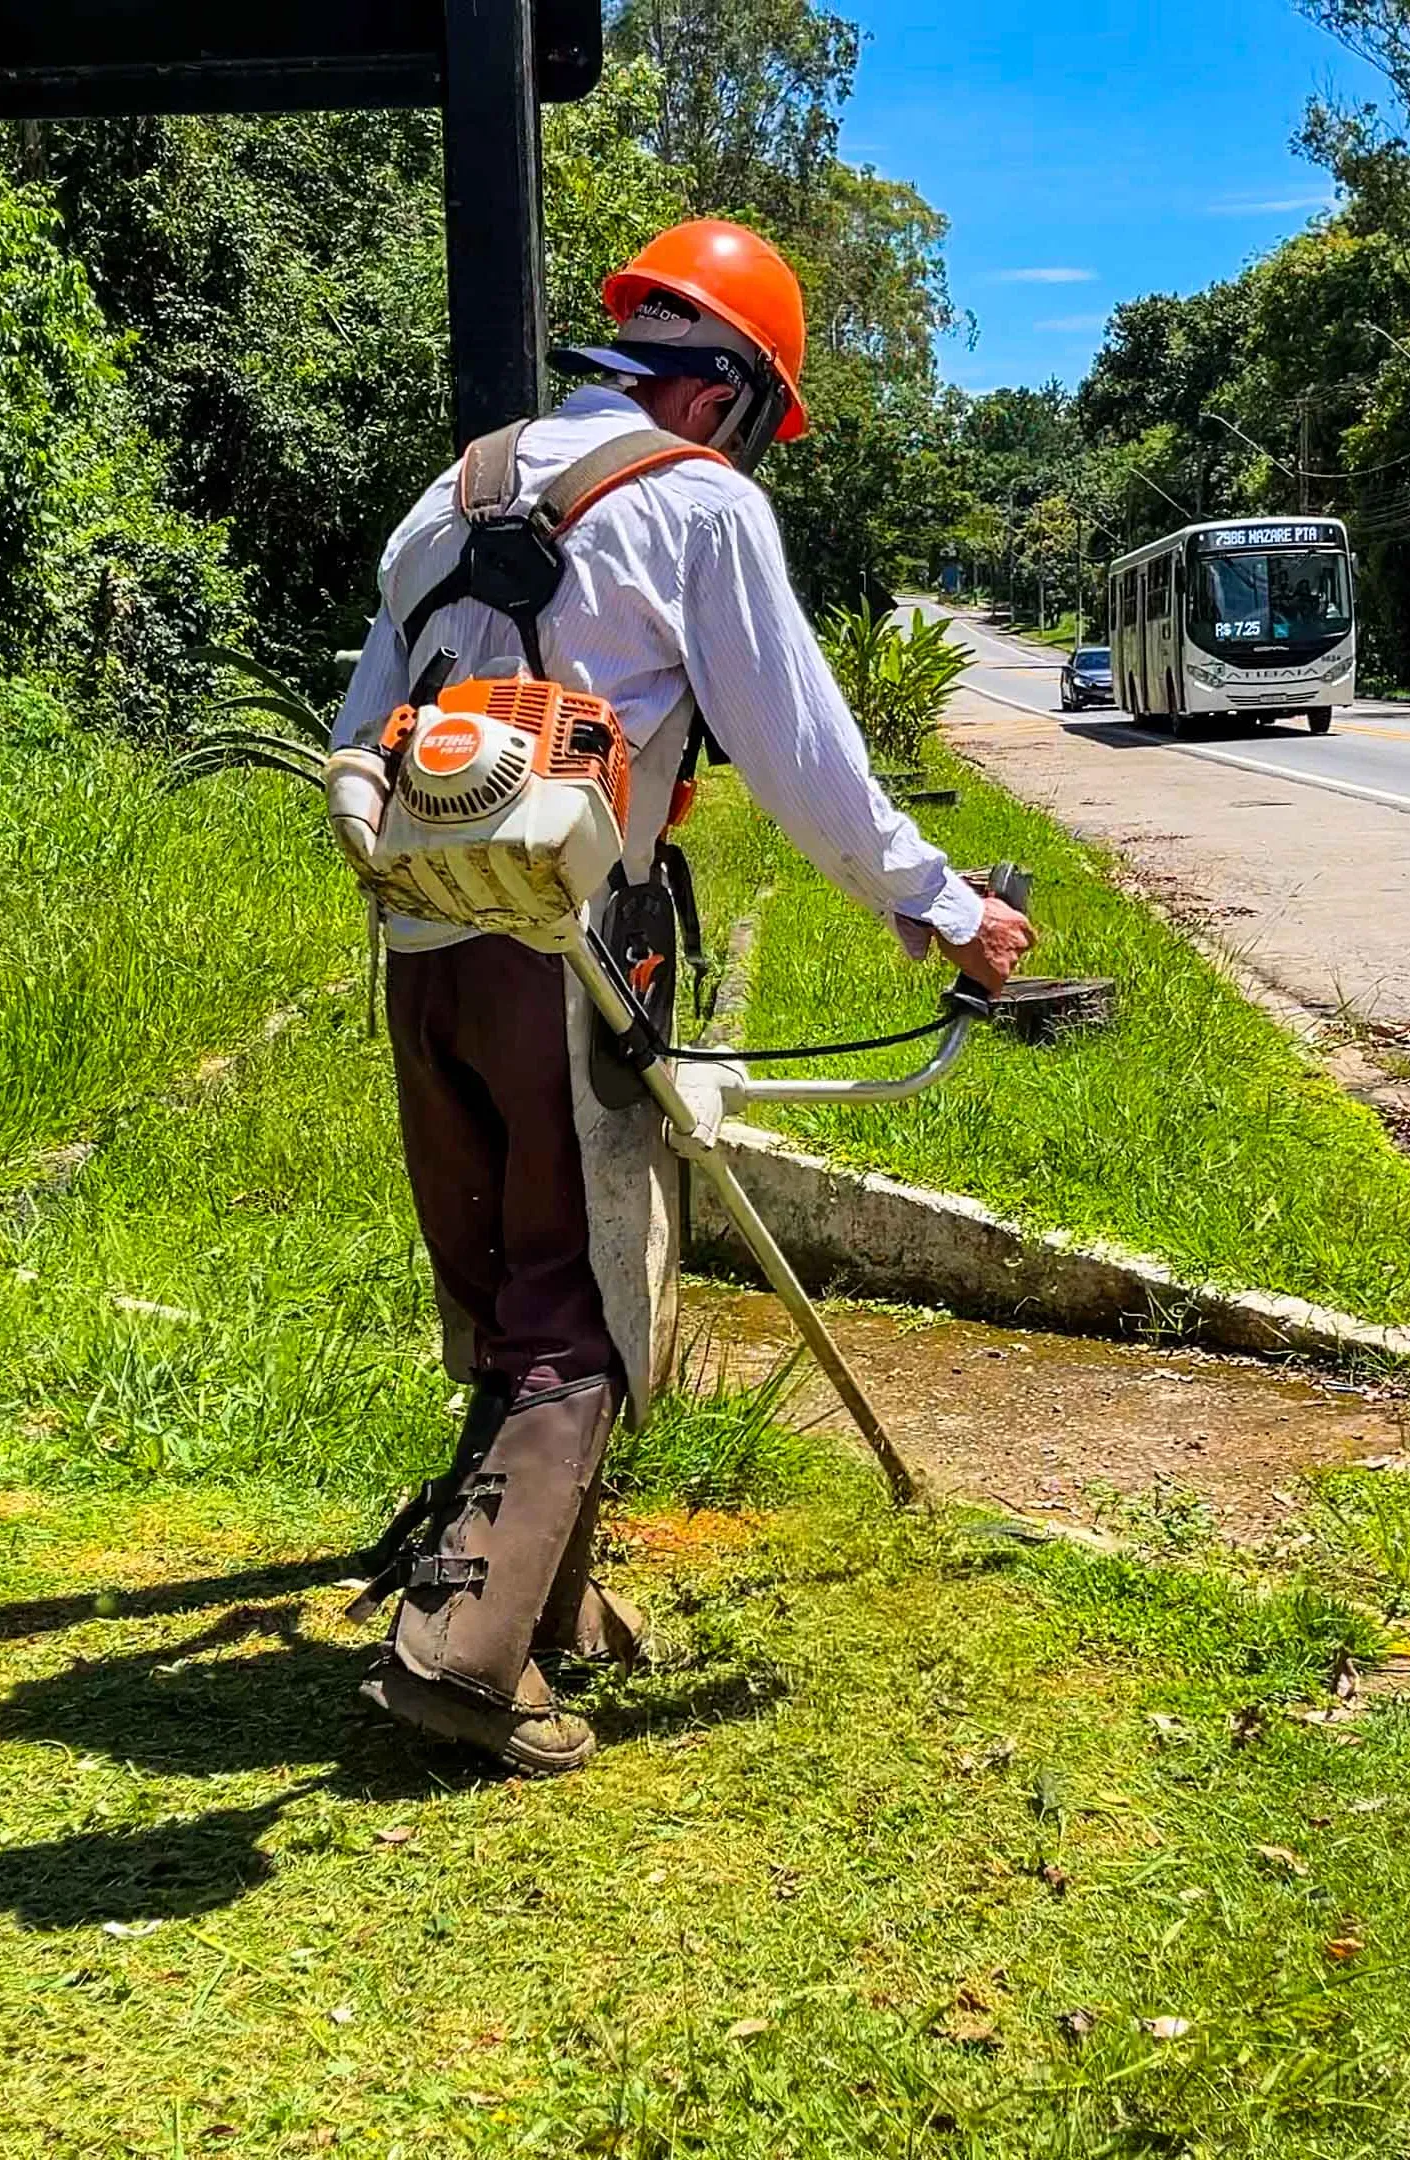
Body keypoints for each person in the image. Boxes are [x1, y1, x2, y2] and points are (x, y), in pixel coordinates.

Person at [328, 219, 1031, 1774]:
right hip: (567, 952)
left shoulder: (445, 499)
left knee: (508, 1280)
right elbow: (800, 753)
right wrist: (943, 905)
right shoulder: (698, 505)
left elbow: (361, 729)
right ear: (724, 395)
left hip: (422, 956)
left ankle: (548, 1616)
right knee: (580, 1294)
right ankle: (460, 1650)